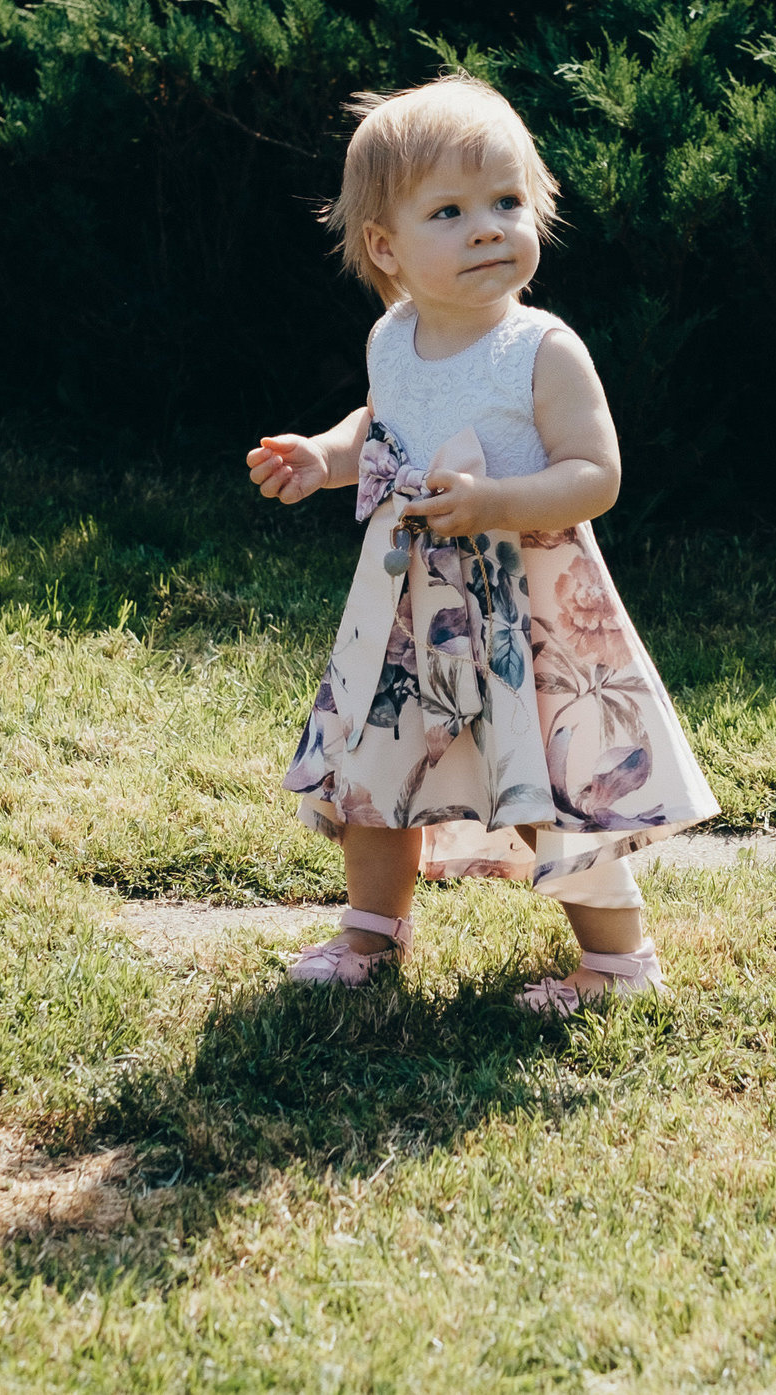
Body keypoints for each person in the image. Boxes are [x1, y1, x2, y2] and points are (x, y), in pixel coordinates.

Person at [246, 75, 718, 1012]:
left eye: (508, 202)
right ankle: (371, 932)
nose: (488, 228)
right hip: (406, 609)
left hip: (525, 609)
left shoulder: (540, 349)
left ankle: (619, 961)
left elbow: (596, 474)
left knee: (548, 777)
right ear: (386, 246)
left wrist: (498, 498)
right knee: (377, 767)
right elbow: (382, 426)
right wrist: (325, 455)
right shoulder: (395, 336)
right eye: (451, 211)